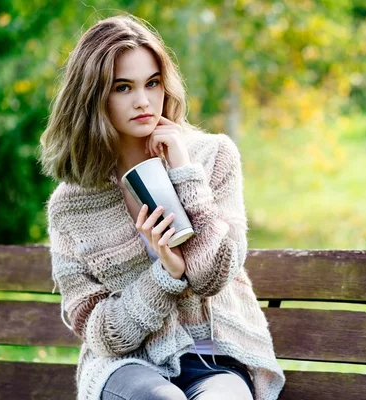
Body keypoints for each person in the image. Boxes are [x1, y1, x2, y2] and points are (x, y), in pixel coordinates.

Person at [39, 14, 285, 400]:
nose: (143, 101)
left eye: (152, 83)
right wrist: (165, 277)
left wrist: (185, 173)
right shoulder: (71, 207)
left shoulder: (212, 158)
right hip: (127, 368)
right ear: (92, 98)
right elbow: (102, 332)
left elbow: (212, 276)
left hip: (216, 362)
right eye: (123, 88)